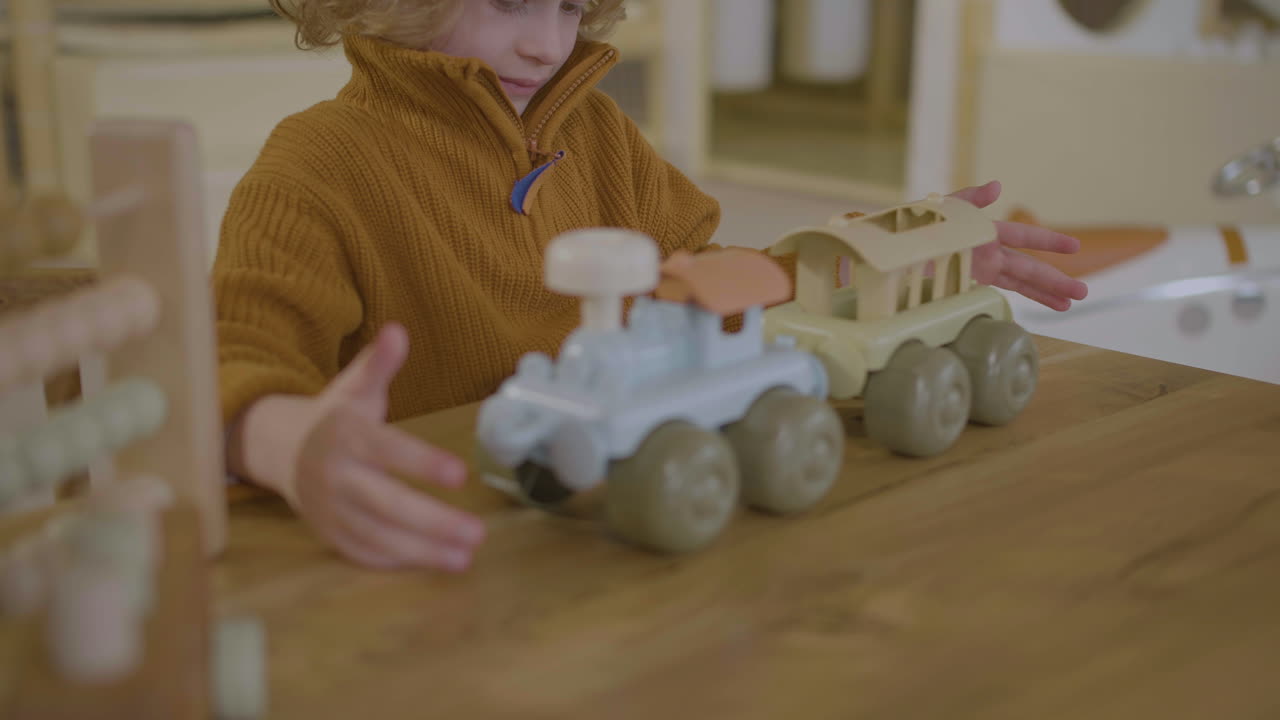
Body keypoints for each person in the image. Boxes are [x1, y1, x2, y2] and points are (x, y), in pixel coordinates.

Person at [213, 0, 1089, 573]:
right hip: (444, 550)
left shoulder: (591, 128)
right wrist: (282, 438)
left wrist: (878, 258)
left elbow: (709, 274)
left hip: (625, 538)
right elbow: (228, 365)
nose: (548, 43)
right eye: (511, 1)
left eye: (568, 5)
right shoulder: (314, 169)